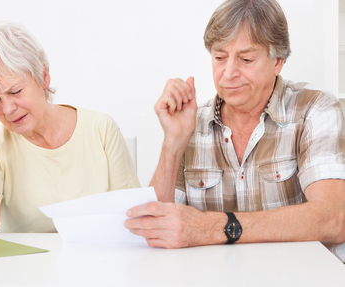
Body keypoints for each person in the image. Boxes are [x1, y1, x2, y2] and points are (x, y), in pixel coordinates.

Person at [125, 0, 345, 262]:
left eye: (246, 59)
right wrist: (173, 142)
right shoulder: (192, 123)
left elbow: (334, 219)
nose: (228, 73)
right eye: (219, 57)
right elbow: (153, 228)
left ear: (278, 62)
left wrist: (213, 227)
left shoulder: (314, 108)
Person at [0, 21, 140, 234]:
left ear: (43, 76)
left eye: (15, 92)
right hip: (24, 266)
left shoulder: (101, 129)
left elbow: (133, 219)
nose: (7, 109)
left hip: (97, 263)